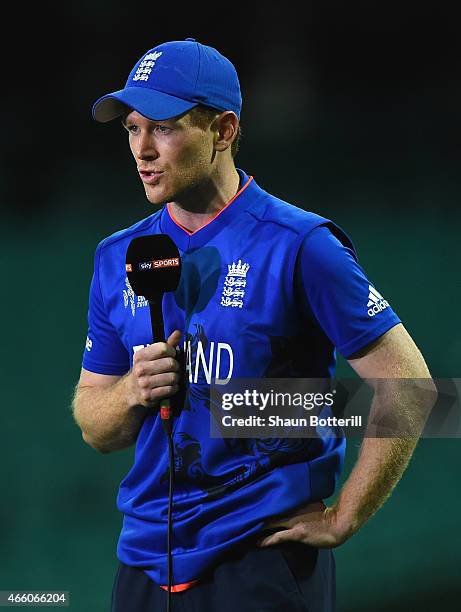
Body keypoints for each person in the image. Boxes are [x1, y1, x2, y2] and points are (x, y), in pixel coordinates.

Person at [72, 38, 436, 612]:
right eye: (132, 128)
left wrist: (346, 515)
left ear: (224, 130)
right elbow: (96, 427)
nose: (142, 149)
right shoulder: (117, 255)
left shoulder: (301, 245)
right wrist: (131, 392)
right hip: (142, 563)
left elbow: (412, 388)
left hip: (262, 561)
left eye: (163, 127)